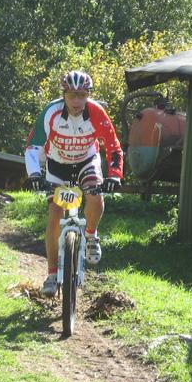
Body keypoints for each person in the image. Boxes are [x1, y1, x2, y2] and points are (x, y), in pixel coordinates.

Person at [24, 70, 123, 297]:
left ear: (88, 94)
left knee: (95, 197)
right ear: (64, 95)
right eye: (72, 95)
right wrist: (35, 175)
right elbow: (33, 147)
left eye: (82, 95)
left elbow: (113, 147)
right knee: (55, 214)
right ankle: (51, 275)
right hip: (57, 165)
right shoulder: (51, 112)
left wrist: (114, 175)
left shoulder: (97, 113)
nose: (77, 101)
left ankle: (91, 235)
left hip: (86, 161)